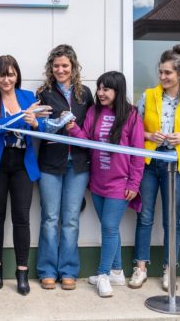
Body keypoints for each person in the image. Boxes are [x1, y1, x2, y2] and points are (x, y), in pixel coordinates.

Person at [0, 55, 48, 296]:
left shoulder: (28, 97)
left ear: (17, 76)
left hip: (22, 163)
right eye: (2, 74)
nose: (7, 79)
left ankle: (22, 272)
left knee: (22, 218)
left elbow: (43, 128)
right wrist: (26, 115)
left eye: (11, 74)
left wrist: (35, 123)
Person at [67, 71, 145, 298]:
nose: (100, 93)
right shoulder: (94, 111)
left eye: (106, 89)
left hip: (120, 185)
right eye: (99, 88)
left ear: (117, 91)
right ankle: (117, 272)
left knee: (109, 228)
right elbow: (88, 141)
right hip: (98, 182)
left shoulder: (131, 116)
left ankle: (103, 275)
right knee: (110, 227)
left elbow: (138, 154)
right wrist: (73, 129)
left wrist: (134, 183)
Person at [131, 45, 180, 291]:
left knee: (173, 221)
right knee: (145, 216)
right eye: (161, 72)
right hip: (150, 163)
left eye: (168, 73)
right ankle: (140, 268)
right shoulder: (148, 96)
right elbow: (135, 130)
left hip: (177, 166)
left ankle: (169, 269)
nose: (162, 77)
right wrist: (151, 134)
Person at [35, 45, 94, 291]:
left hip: (78, 165)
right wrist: (56, 123)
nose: (60, 70)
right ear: (51, 68)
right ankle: (47, 269)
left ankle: (69, 270)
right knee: (50, 218)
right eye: (56, 66)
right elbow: (36, 125)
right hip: (51, 163)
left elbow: (91, 126)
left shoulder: (85, 94)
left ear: (73, 67)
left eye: (65, 66)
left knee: (70, 219)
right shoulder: (43, 92)